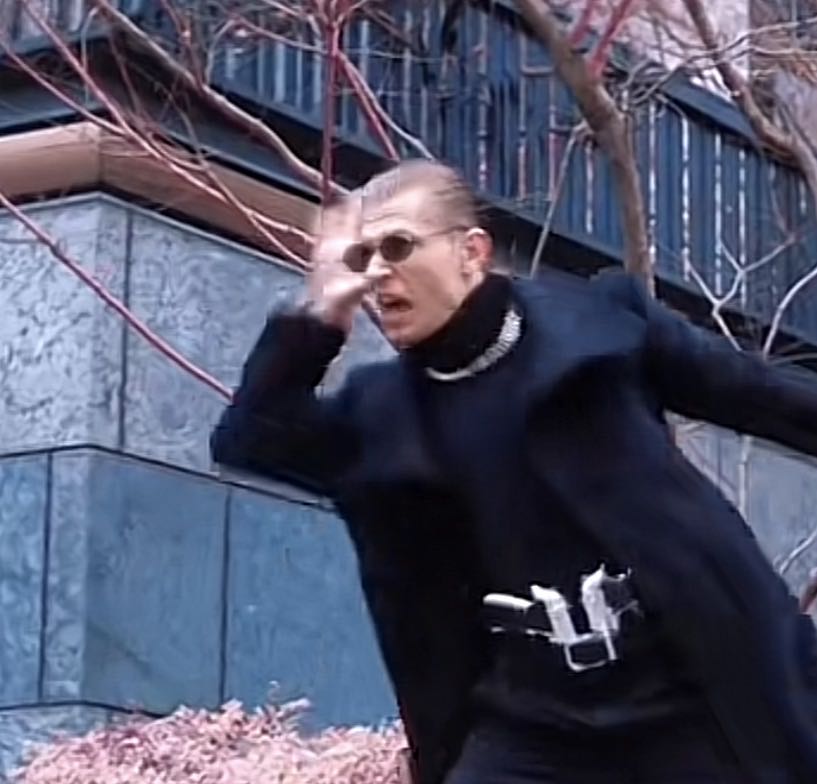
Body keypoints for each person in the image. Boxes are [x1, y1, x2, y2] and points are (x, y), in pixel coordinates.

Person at [210, 160, 817, 784]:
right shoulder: (380, 416)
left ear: (471, 252)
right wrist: (319, 313)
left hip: (686, 690)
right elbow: (249, 438)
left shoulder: (601, 330)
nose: (378, 273)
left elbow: (762, 398)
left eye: (398, 246)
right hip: (536, 724)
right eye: (363, 257)